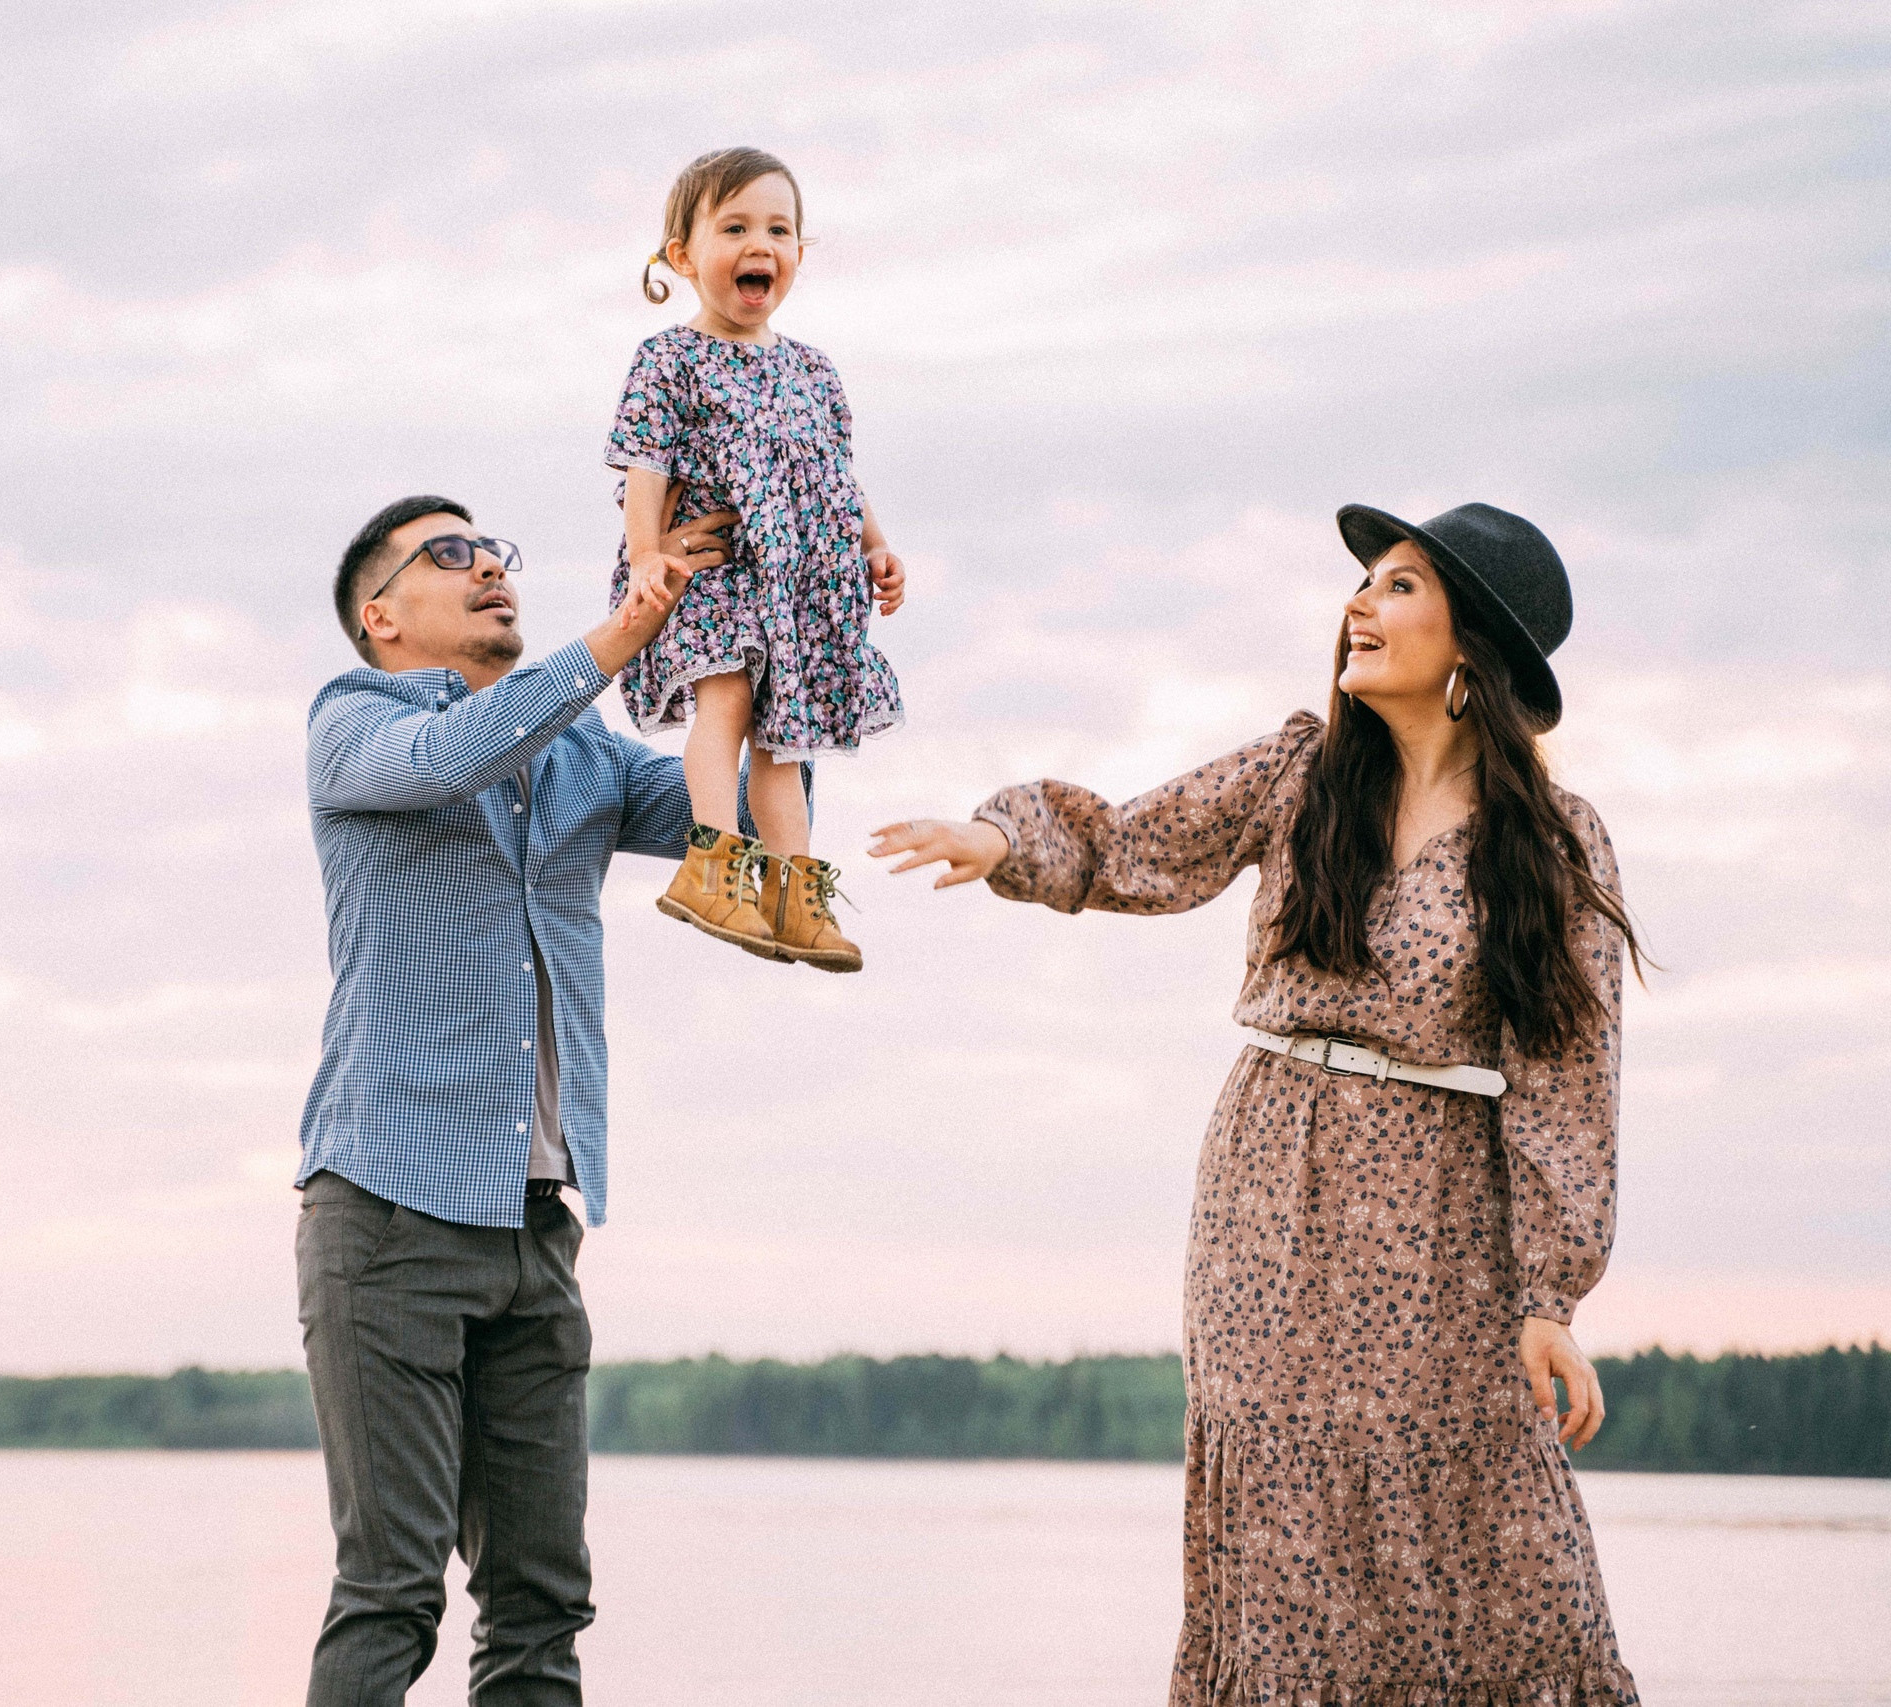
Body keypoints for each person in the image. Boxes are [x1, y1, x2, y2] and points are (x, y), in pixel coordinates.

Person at [871, 503, 1645, 1706]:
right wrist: (995, 839)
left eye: (1397, 587)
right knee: (1282, 1516)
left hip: (1440, 1215)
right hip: (1269, 1192)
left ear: (1472, 647)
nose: (1358, 605)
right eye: (1363, 584)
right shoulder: (1300, 773)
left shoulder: (1551, 845)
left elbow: (1567, 1075)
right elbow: (1136, 845)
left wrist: (1550, 1295)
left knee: (1490, 1518)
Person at [296, 490, 819, 1706]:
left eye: (494, 550)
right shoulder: (352, 722)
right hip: (386, 1219)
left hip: (536, 1229)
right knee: (391, 1587)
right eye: (449, 555)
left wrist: (767, 642)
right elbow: (451, 759)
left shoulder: (581, 753)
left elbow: (737, 814)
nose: (488, 567)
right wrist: (629, 628)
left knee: (541, 1601)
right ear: (381, 617)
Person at [607, 145, 909, 972]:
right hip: (720, 571)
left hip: (802, 586)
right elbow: (646, 462)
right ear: (682, 256)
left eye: (779, 229)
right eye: (734, 226)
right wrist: (643, 555)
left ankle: (791, 890)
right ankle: (715, 862)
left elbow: (835, 476)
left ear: (799, 256)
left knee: (788, 740)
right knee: (729, 706)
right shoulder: (670, 359)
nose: (760, 244)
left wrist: (874, 546)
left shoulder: (814, 369)